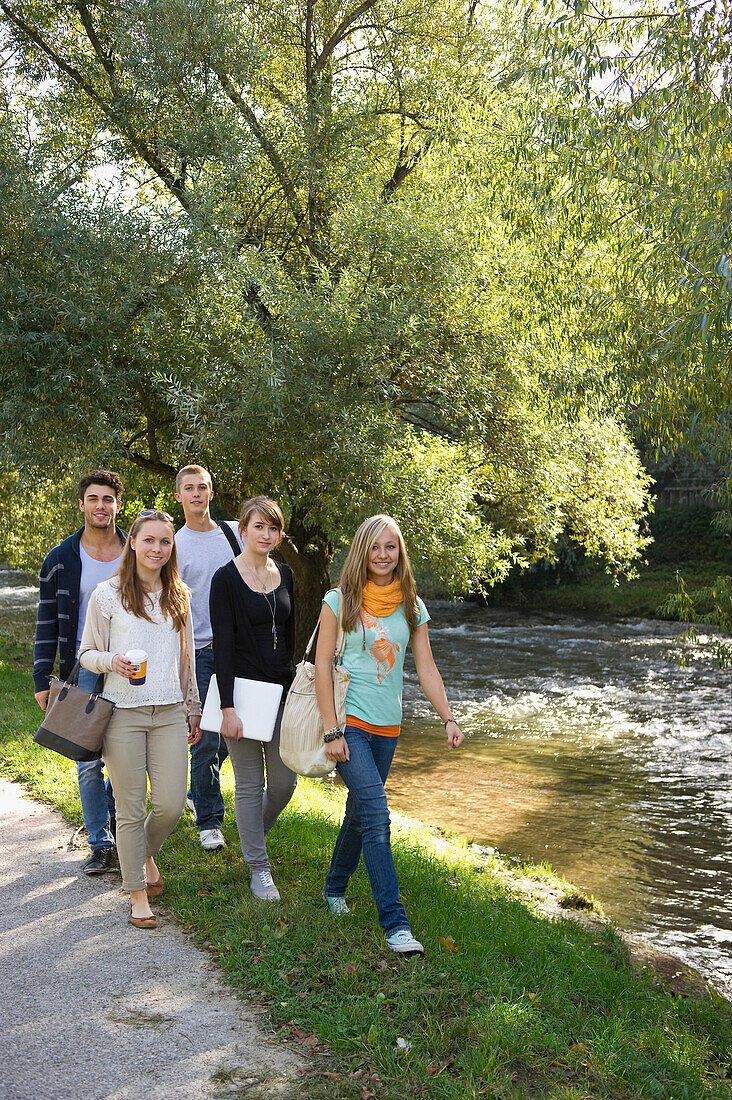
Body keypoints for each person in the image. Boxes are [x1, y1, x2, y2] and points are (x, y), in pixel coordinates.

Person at [314, 514, 464, 956]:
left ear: (400, 553)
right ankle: (396, 925)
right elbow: (323, 665)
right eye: (375, 547)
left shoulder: (412, 604)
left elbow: (426, 666)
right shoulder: (338, 601)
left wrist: (448, 718)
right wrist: (332, 730)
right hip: (351, 723)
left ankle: (333, 888)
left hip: (389, 727)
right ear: (362, 550)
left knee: (361, 812)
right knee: (378, 815)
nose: (383, 555)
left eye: (391, 547)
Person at [79, 510, 202, 928]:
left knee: (170, 804)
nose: (157, 549)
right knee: (130, 808)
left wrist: (194, 707)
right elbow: (85, 653)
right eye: (149, 540)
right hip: (122, 715)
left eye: (165, 542)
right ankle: (136, 896)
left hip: (169, 711)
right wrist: (111, 661)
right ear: (132, 542)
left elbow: (188, 661)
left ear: (172, 547)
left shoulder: (179, 593)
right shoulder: (106, 594)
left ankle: (144, 852)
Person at [33, 470, 126, 875]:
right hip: (83, 668)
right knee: (87, 759)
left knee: (128, 756)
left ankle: (113, 815)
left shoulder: (136, 549)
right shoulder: (60, 559)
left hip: (130, 668)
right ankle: (100, 843)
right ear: (82, 504)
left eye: (108, 499)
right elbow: (47, 623)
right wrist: (42, 679)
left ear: (117, 505)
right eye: (94, 498)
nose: (101, 506)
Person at [209, 496, 297, 901]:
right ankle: (258, 869)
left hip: (280, 692)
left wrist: (295, 689)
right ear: (242, 530)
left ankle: (250, 838)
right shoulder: (225, 579)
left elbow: (291, 637)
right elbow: (222, 647)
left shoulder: (288, 575)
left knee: (283, 782)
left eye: (273, 528)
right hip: (241, 694)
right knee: (249, 784)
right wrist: (227, 707)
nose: (266, 534)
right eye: (258, 526)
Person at [174, 464, 242, 851]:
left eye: (203, 488)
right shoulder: (175, 544)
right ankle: (209, 823)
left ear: (211, 494)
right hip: (198, 651)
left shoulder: (234, 533)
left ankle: (196, 790)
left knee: (228, 738)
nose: (197, 494)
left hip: (238, 651)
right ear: (180, 496)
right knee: (204, 739)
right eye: (189, 489)